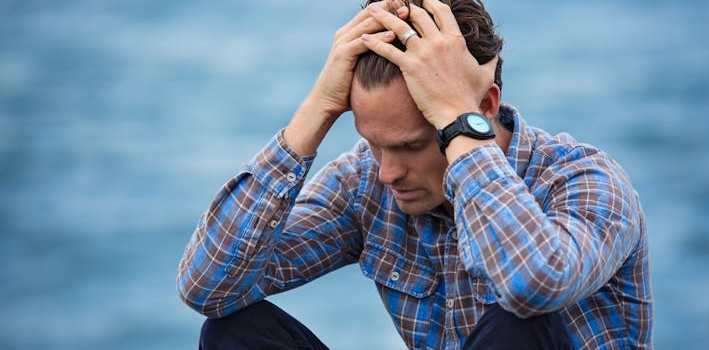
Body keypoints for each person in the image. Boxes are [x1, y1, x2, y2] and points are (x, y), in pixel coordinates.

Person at [176, 0, 653, 349]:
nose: (386, 171)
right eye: (371, 142)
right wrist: (317, 110)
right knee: (233, 333)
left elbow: (533, 284)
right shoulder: (367, 182)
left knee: (519, 323)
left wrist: (458, 121)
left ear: (484, 107)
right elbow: (208, 288)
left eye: (409, 145)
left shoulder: (586, 181)